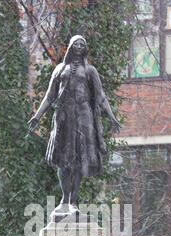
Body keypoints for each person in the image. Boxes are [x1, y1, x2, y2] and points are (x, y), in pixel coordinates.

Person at [28, 35, 121, 213]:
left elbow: (100, 96)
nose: (79, 46)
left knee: (79, 159)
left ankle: (73, 200)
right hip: (63, 117)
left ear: (84, 49)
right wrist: (37, 116)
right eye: (76, 43)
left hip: (83, 117)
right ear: (70, 47)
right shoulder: (59, 69)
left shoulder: (90, 71)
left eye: (82, 44)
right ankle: (64, 198)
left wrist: (112, 117)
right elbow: (49, 96)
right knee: (63, 159)